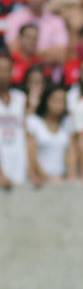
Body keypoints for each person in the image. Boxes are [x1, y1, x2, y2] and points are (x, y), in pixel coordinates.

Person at [25, 82, 76, 185]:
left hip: (61, 179)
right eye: (56, 100)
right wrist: (45, 176)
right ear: (46, 100)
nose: (59, 105)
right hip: (40, 181)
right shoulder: (34, 122)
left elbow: (71, 153)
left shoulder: (67, 123)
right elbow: (31, 154)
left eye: (63, 101)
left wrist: (71, 175)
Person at [0, 53, 29, 188]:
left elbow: (29, 135)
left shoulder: (21, 99)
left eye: (6, 70)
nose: (3, 74)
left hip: (19, 164)